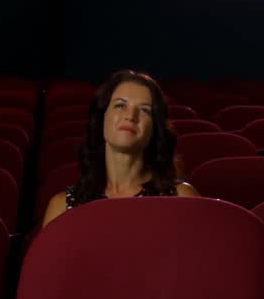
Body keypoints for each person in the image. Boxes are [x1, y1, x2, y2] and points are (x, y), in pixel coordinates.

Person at [42, 70, 196, 228]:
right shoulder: (61, 207)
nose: (130, 116)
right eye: (120, 105)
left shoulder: (181, 197)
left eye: (144, 110)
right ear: (102, 117)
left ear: (155, 128)